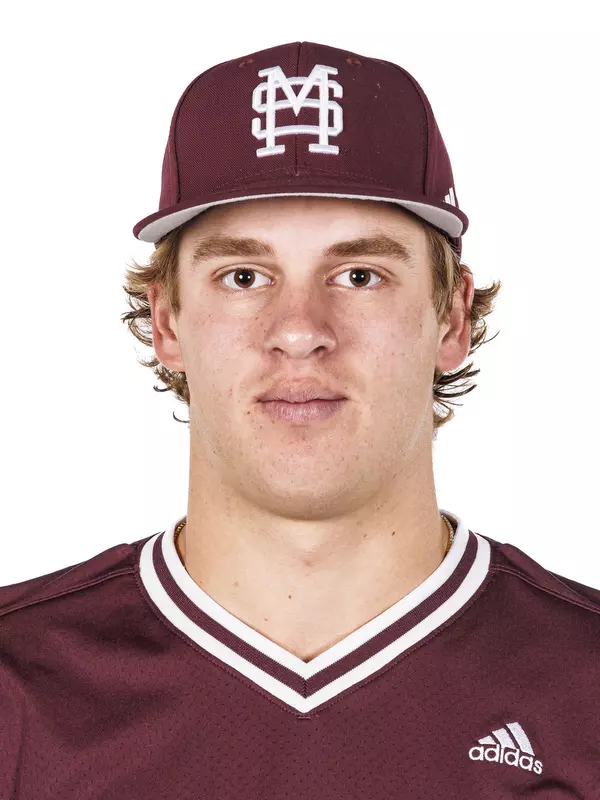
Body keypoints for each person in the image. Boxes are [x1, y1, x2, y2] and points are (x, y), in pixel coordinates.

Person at [1, 41, 598, 798]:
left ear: (451, 318)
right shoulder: (17, 689)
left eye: (359, 275)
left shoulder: (586, 690)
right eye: (243, 276)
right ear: (166, 322)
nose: (299, 328)